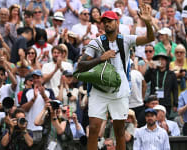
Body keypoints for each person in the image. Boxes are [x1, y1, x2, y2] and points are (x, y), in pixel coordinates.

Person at [76, 5, 155, 150]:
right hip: (99, 90)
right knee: (93, 129)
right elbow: (80, 66)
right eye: (104, 21)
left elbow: (150, 38)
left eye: (110, 21)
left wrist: (148, 22)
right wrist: (100, 58)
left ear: (117, 23)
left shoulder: (126, 39)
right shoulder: (96, 42)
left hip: (120, 90)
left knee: (119, 130)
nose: (106, 24)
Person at [20, 70, 55, 150]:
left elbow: (53, 107)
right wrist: (34, 98)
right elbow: (23, 109)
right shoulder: (26, 92)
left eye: (38, 77)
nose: (36, 80)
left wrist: (43, 95)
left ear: (42, 78)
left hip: (44, 129)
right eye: (34, 78)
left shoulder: (49, 91)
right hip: (29, 128)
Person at [144, 52, 178, 119]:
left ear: (166, 61)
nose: (161, 62)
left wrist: (175, 104)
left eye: (163, 59)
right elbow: (146, 79)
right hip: (153, 102)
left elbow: (175, 90)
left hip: (166, 102)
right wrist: (150, 69)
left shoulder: (171, 74)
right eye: (158, 60)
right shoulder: (153, 72)